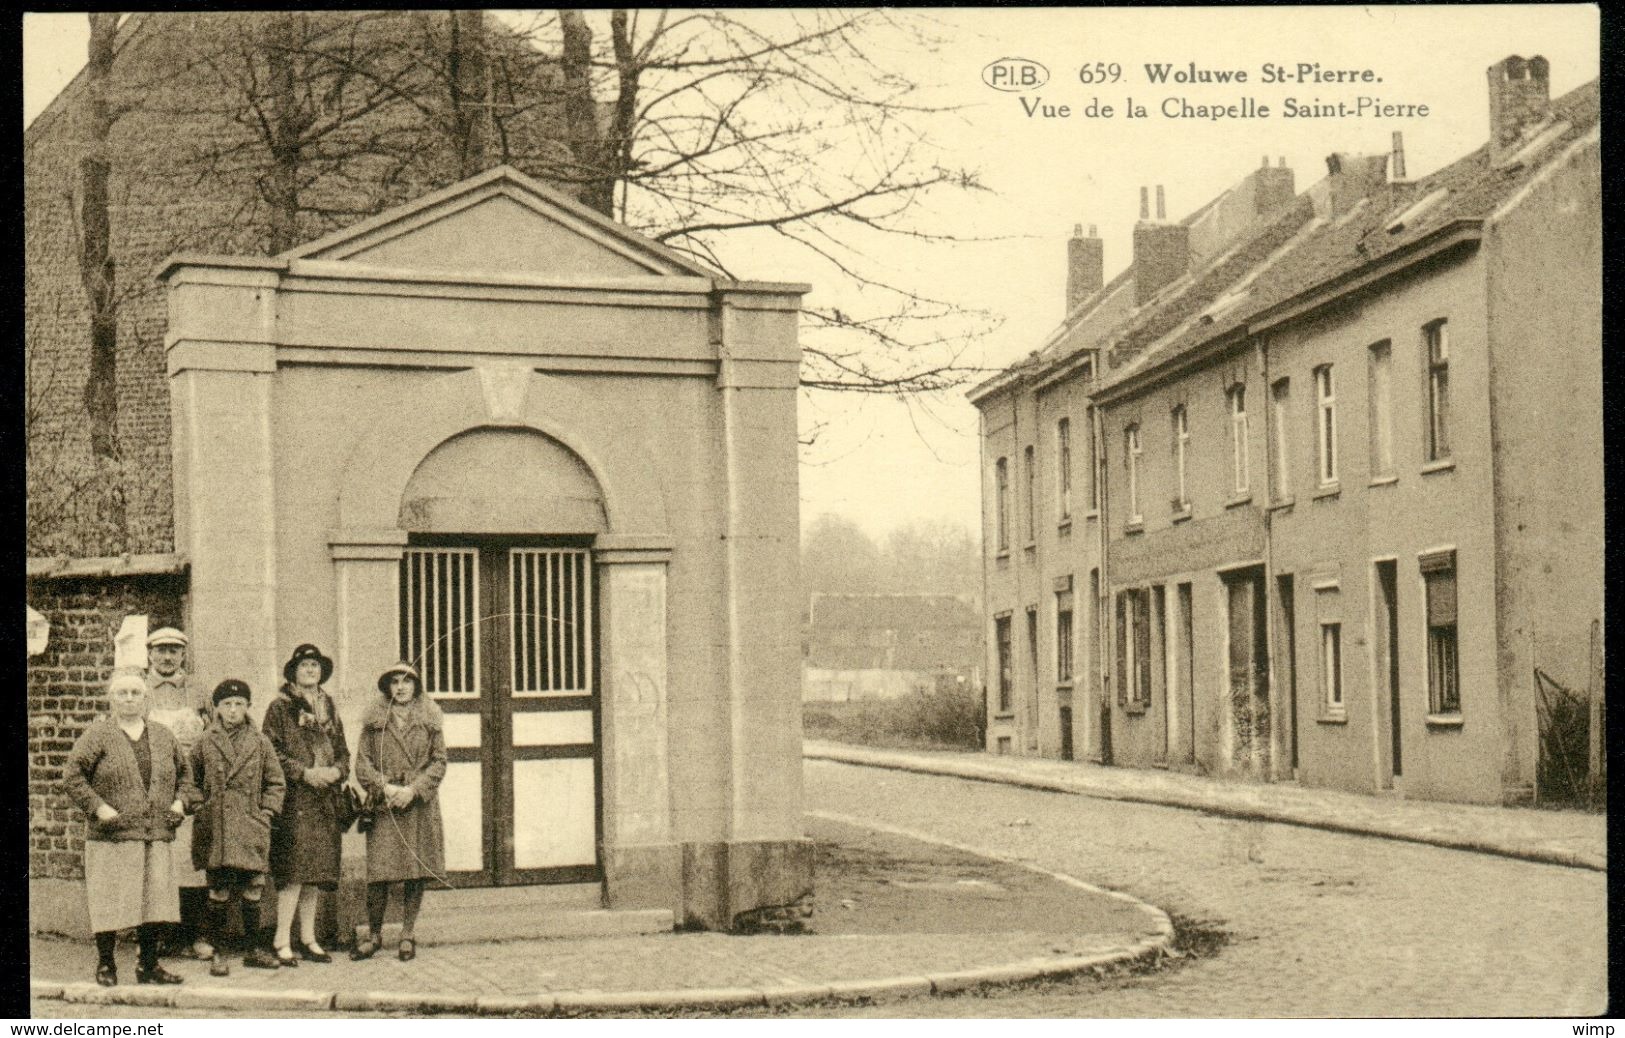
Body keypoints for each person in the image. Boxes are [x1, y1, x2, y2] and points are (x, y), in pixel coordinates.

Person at [64, 671, 193, 986]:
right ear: (112, 699)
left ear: (146, 697)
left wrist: (180, 803)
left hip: (155, 834)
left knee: (153, 901)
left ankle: (148, 966)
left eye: (135, 692)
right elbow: (73, 776)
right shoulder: (98, 735)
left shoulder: (163, 736)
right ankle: (106, 964)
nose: (129, 699)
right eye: (122, 693)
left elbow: (186, 776)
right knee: (108, 899)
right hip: (112, 835)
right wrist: (99, 808)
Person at [186, 679, 286, 976]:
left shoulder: (260, 741)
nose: (233, 710)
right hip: (216, 826)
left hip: (250, 825)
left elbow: (276, 782)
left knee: (253, 888)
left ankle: (254, 949)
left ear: (247, 707)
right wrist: (198, 805)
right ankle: (219, 953)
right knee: (218, 890)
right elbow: (189, 779)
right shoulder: (205, 741)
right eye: (227, 705)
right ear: (217, 708)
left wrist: (266, 811)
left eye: (239, 704)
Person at [262, 644, 350, 966]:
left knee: (315, 874)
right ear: (293, 672)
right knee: (294, 873)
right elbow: (270, 753)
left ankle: (308, 938)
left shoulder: (329, 706)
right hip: (295, 799)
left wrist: (337, 771)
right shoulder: (280, 708)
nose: (310, 670)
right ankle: (281, 939)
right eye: (304, 666)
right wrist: (304, 773)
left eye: (315, 665)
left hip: (324, 799)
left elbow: (343, 750)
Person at [352, 662, 447, 962]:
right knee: (380, 873)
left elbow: (440, 762)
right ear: (387, 687)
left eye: (407, 681)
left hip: (418, 805)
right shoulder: (374, 722)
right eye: (395, 682)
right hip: (385, 805)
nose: (401, 687)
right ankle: (375, 935)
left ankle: (407, 933)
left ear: (416, 686)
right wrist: (386, 788)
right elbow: (362, 764)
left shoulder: (430, 720)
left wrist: (413, 790)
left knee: (414, 872)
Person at [142, 626, 212, 960]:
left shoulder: (199, 690)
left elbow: (213, 735)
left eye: (174, 650)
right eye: (161, 650)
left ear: (184, 654)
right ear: (150, 655)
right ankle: (163, 935)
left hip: (192, 787)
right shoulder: (140, 691)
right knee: (159, 860)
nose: (168, 657)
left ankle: (197, 934)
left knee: (192, 861)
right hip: (154, 788)